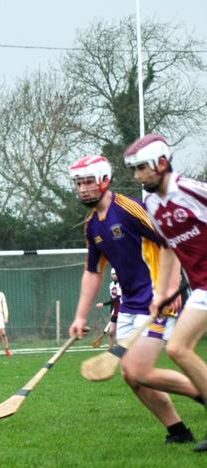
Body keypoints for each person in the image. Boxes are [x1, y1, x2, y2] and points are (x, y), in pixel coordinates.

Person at [65, 154, 197, 445]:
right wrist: (80, 316)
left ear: (104, 180)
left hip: (157, 298)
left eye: (88, 181)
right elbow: (92, 273)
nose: (83, 189)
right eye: (78, 183)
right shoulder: (92, 225)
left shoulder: (128, 209)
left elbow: (169, 240)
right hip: (130, 304)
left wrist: (170, 289)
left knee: (140, 369)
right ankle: (179, 433)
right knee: (132, 376)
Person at [123, 134, 207, 450]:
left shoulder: (190, 191)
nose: (137, 175)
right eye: (133, 169)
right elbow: (170, 248)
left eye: (141, 168)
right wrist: (162, 292)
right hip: (200, 287)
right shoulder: (153, 205)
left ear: (161, 163)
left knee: (179, 348)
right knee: (177, 349)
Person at [93, 269, 121, 348]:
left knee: (121, 332)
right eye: (113, 274)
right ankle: (111, 350)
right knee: (111, 332)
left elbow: (117, 299)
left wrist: (103, 304)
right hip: (115, 309)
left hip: (123, 309)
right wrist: (112, 310)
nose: (114, 275)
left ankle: (123, 348)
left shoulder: (122, 284)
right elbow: (112, 298)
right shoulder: (111, 285)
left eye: (116, 274)